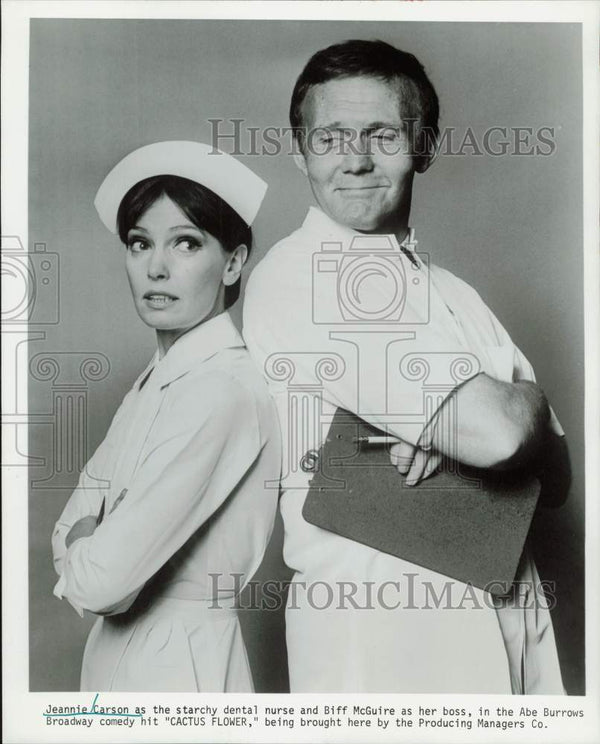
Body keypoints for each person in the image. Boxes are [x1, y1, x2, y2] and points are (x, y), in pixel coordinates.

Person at [243, 40, 569, 693]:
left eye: (382, 134)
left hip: (510, 623)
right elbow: (501, 437)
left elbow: (556, 483)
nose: (357, 159)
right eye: (331, 137)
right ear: (300, 151)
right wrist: (522, 406)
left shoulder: (455, 292)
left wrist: (485, 430)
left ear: (424, 144)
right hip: (387, 645)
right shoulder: (305, 274)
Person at [52, 141, 281, 692]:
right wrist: (90, 543)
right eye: (139, 244)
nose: (156, 267)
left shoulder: (221, 390)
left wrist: (92, 542)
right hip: (117, 655)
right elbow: (65, 531)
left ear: (233, 262)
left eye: (185, 243)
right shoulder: (157, 380)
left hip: (180, 664)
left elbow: (104, 583)